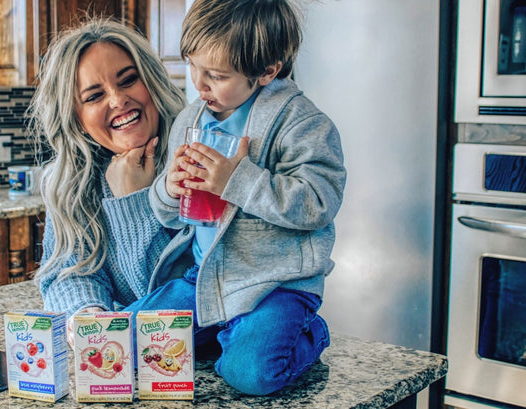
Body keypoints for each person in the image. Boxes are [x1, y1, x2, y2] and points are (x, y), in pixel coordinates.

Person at [127, 0, 347, 396]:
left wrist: (238, 181)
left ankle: (309, 332)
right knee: (125, 341)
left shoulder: (303, 124)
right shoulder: (191, 120)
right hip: (205, 279)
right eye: (192, 65)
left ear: (267, 71)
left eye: (216, 74)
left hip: (275, 285)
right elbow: (170, 217)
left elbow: (319, 201)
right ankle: (220, 329)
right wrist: (168, 189)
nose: (199, 82)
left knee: (249, 374)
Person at [27, 18, 185, 347]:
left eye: (128, 80)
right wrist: (87, 314)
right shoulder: (72, 182)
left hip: (208, 354)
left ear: (152, 83)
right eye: (94, 96)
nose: (117, 100)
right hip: (132, 358)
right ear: (77, 119)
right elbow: (68, 272)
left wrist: (134, 200)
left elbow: (173, 302)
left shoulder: (192, 160)